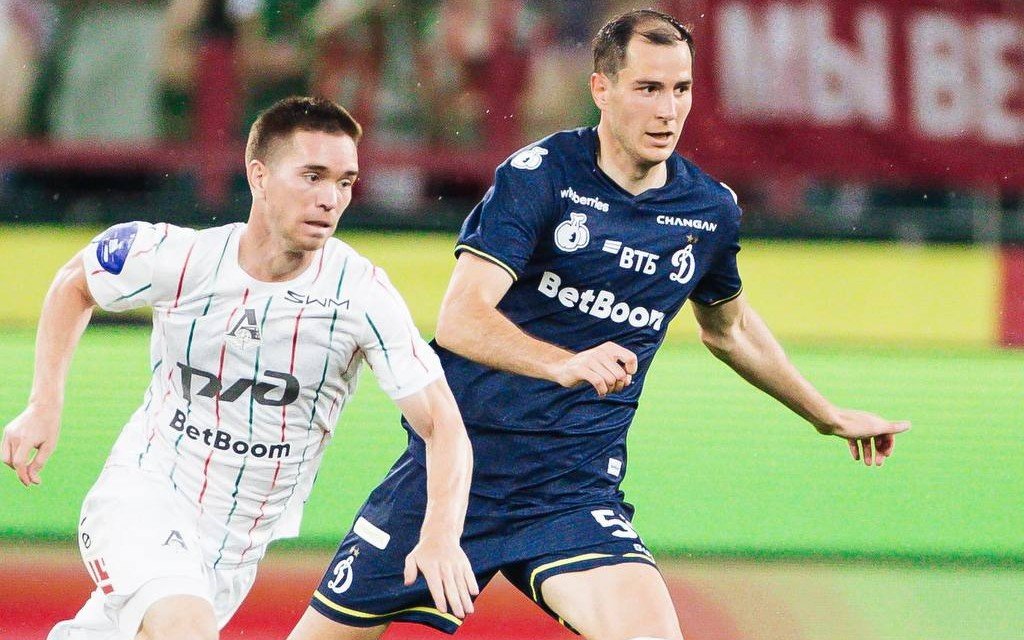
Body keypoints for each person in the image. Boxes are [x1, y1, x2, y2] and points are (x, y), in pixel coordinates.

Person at [288, 10, 911, 640]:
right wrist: (560, 363)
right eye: (648, 88)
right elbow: (461, 320)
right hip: (452, 479)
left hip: (572, 495)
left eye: (681, 89)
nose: (668, 111)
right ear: (601, 90)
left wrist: (826, 415)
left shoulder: (708, 210)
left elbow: (731, 329)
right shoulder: (542, 175)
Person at [0, 96, 478, 640]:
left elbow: (443, 424)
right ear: (259, 176)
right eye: (313, 176)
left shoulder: (361, 296)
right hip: (140, 498)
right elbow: (75, 282)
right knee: (186, 628)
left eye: (345, 182)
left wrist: (441, 532)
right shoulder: (181, 258)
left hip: (232, 553)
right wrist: (43, 403)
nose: (330, 198)